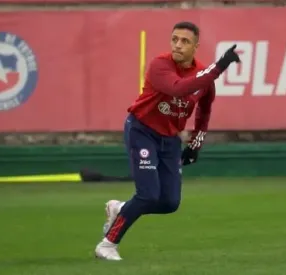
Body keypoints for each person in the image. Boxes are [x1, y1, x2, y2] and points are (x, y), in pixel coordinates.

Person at [94, 21, 240, 261]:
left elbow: (205, 109)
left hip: (170, 139)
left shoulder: (202, 74)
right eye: (174, 39)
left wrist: (196, 143)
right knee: (148, 195)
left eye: (185, 41)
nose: (178, 45)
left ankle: (120, 209)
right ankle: (107, 244)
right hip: (142, 131)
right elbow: (178, 88)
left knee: (170, 202)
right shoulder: (160, 65)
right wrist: (219, 66)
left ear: (196, 47)